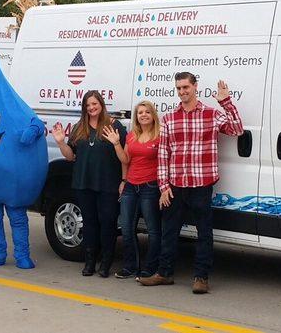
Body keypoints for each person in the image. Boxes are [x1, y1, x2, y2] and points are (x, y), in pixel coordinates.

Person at [138, 72, 244, 294]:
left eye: (186, 87)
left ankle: (201, 277)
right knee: (169, 231)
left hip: (201, 184)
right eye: (178, 88)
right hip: (175, 185)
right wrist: (164, 187)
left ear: (195, 86)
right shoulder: (169, 118)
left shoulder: (211, 113)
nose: (182, 92)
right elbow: (164, 155)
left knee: (204, 233)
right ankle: (164, 273)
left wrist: (226, 101)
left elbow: (237, 129)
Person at [52, 90, 127, 278]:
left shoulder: (114, 125)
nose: (91, 108)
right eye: (87, 105)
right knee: (90, 224)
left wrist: (124, 180)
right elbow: (71, 156)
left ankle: (106, 263)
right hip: (84, 183)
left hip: (108, 184)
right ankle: (90, 261)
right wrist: (61, 143)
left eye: (94, 104)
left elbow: (125, 157)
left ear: (101, 104)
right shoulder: (80, 128)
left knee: (108, 223)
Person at [102, 100, 161, 279]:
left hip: (150, 186)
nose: (143, 115)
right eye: (140, 112)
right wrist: (116, 144)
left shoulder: (160, 135)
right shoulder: (132, 135)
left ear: (153, 116)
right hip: (130, 186)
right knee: (126, 228)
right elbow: (126, 159)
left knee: (153, 230)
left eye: (147, 112)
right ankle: (130, 267)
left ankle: (150, 268)